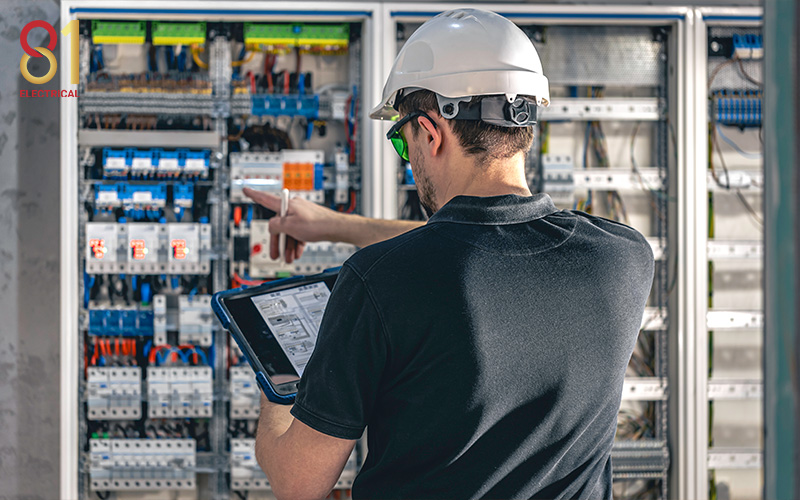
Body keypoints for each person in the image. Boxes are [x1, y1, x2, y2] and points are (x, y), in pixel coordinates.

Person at [248, 9, 654, 500]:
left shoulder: (378, 283)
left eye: (403, 140)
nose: (408, 157)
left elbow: (297, 483)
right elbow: (484, 244)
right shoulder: (622, 258)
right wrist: (336, 227)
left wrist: (277, 383)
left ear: (431, 132)